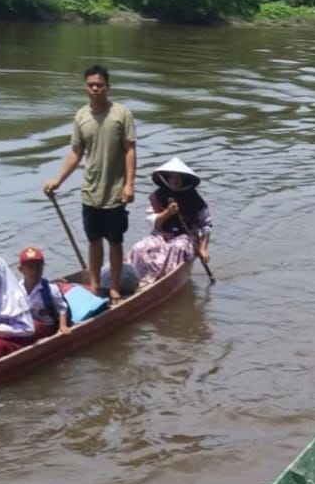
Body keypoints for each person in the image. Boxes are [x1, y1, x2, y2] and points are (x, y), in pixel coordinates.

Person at [43, 65, 137, 305]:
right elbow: (76, 152)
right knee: (94, 242)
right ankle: (95, 285)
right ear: (86, 88)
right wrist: (58, 180)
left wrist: (129, 185)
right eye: (91, 85)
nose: (95, 89)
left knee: (115, 242)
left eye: (100, 85)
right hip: (90, 192)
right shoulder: (81, 116)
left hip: (115, 192)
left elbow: (130, 150)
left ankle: (114, 286)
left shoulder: (121, 114)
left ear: (107, 86)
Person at [129, 158, 212, 287]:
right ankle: (138, 281)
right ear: (167, 179)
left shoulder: (194, 198)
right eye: (172, 177)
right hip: (161, 235)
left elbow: (206, 224)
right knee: (138, 248)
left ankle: (165, 281)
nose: (175, 181)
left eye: (178, 178)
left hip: (185, 237)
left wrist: (203, 248)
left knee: (178, 248)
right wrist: (167, 212)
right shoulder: (158, 196)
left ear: (183, 180)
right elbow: (153, 221)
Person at [17, 247, 71, 339]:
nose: (34, 272)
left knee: (34, 326)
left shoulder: (50, 289)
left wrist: (62, 326)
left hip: (47, 328)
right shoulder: (16, 290)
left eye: (38, 268)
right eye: (30, 267)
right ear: (21, 269)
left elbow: (62, 308)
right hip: (27, 327)